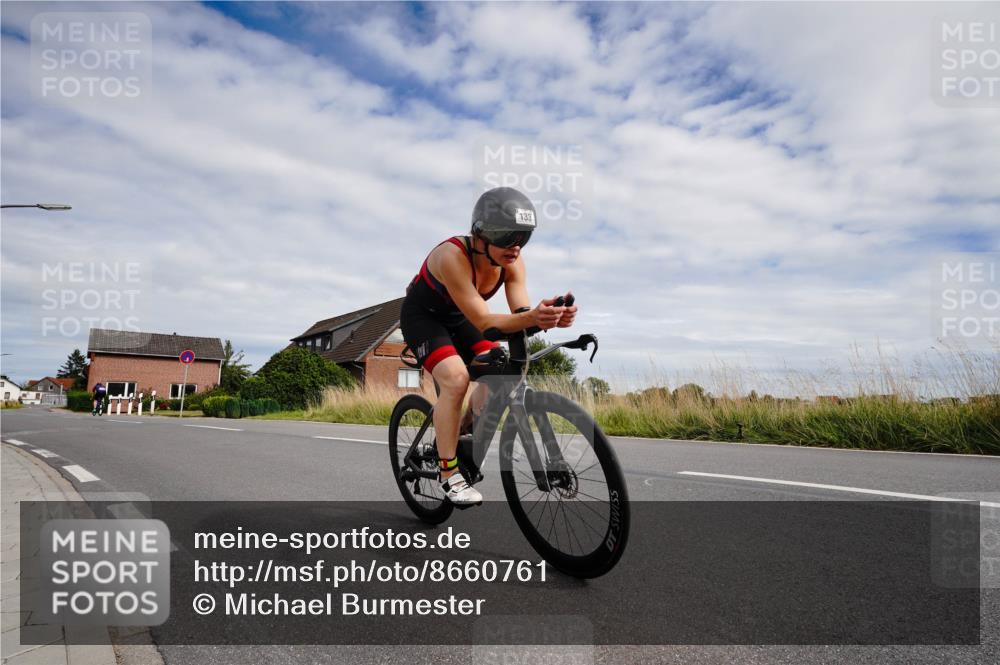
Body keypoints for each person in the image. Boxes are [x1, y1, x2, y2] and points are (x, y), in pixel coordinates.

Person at [400, 187, 577, 505]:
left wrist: (547, 318)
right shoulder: (451, 256)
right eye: (506, 236)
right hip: (424, 318)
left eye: (523, 237)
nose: (515, 246)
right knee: (456, 379)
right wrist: (534, 318)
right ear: (480, 235)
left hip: (460, 317)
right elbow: (484, 321)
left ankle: (462, 430)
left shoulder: (512, 262)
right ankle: (449, 474)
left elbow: (519, 314)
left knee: (497, 369)